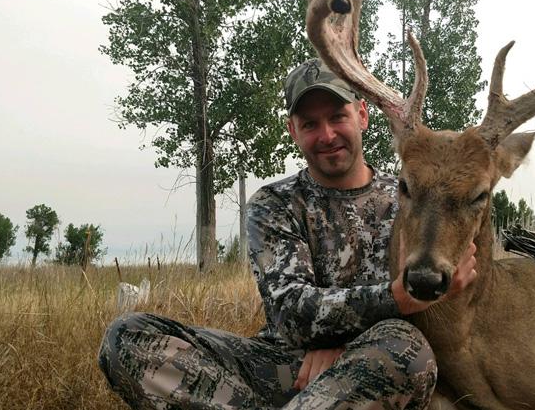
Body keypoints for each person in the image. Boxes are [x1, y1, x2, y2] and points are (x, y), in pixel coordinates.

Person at [98, 58, 478, 409]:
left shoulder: (411, 198)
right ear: (292, 131)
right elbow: (290, 312)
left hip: (368, 365)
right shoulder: (274, 204)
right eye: (310, 124)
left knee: (408, 351)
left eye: (337, 116)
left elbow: (434, 312)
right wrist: (399, 297)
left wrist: (346, 348)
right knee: (127, 338)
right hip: (281, 368)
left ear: (362, 115)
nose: (327, 134)